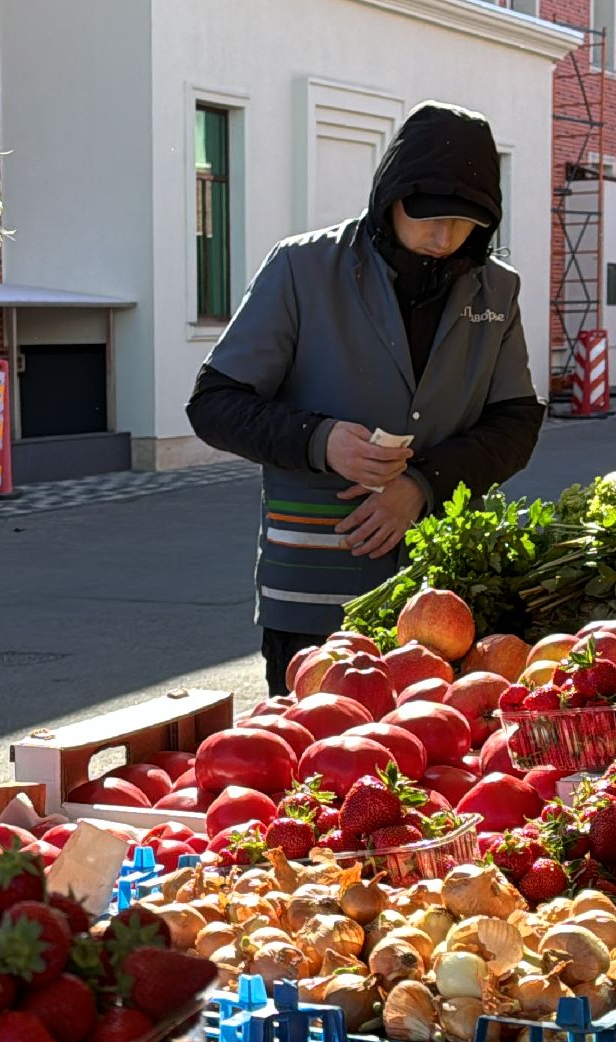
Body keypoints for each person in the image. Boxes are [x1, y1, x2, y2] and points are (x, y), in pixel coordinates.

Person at [186, 101, 544, 698]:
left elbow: (517, 423)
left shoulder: (498, 290)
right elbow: (214, 404)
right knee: (315, 773)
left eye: (463, 222)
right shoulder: (301, 268)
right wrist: (320, 441)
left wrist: (424, 483)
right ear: (391, 197)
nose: (443, 236)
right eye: (428, 216)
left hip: (447, 599)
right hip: (312, 595)